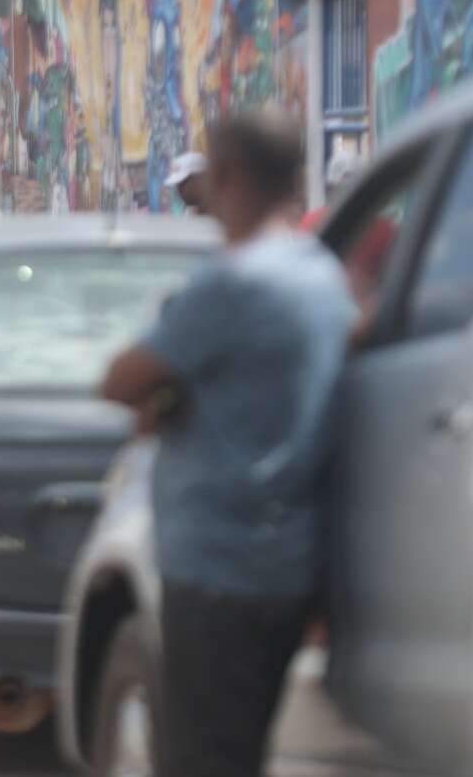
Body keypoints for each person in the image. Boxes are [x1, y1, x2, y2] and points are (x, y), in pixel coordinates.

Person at [101, 111, 355, 777]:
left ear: (230, 177)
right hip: (287, 568)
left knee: (203, 759)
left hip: (216, 574)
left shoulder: (234, 282)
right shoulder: (323, 276)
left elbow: (122, 381)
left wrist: (164, 398)